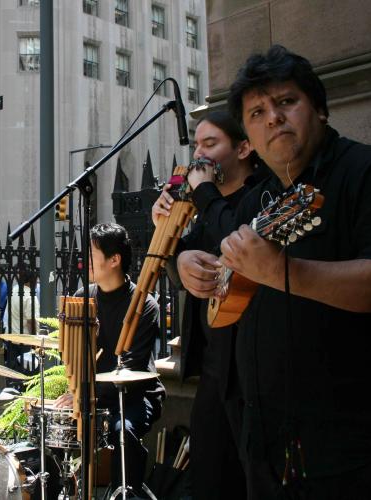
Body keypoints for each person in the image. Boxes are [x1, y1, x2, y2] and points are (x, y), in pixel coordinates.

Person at [181, 45, 371, 499]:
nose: (273, 118)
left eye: (286, 102)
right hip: (264, 444)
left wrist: (284, 271)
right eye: (257, 111)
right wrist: (192, 266)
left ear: (319, 109)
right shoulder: (255, 198)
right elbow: (221, 261)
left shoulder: (369, 170)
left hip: (351, 450)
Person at [152, 111, 258, 499]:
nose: (199, 155)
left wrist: (202, 193)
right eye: (196, 145)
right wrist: (173, 250)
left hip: (253, 371)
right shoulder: (200, 210)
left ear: (244, 147)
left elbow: (237, 238)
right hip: (214, 370)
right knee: (211, 480)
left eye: (210, 145)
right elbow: (181, 268)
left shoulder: (260, 196)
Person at [55, 222, 164, 496]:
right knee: (50, 425)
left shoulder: (144, 305)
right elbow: (76, 357)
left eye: (92, 255)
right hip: (91, 397)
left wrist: (87, 393)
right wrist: (76, 392)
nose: (86, 261)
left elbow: (133, 367)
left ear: (114, 260)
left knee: (122, 430)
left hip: (134, 398)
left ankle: (125, 493)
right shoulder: (83, 299)